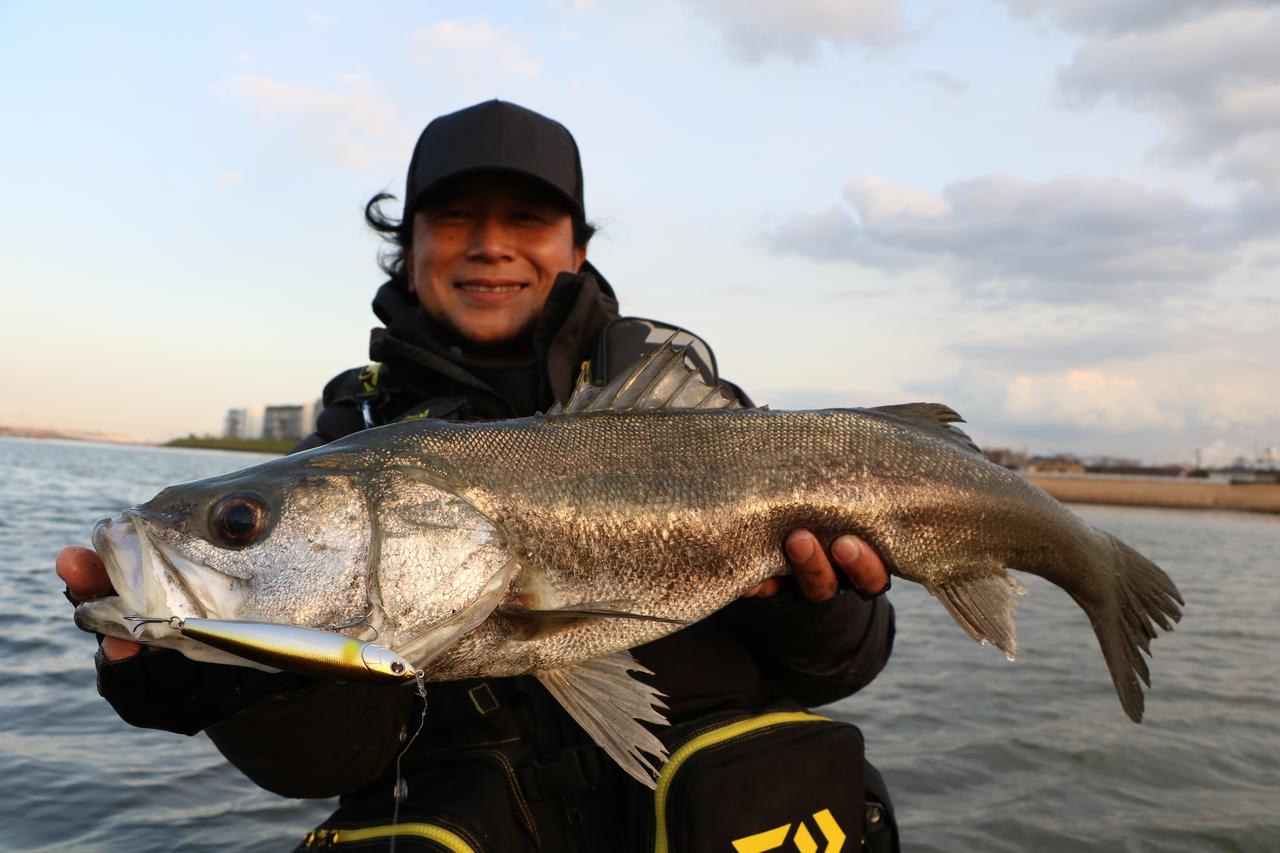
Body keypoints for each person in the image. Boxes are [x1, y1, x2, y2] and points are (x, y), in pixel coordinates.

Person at [58, 100, 899, 852]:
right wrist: (236, 680)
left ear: (575, 246)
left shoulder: (701, 418)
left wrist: (812, 607)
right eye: (454, 217)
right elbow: (331, 760)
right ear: (410, 245)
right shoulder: (348, 441)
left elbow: (844, 668)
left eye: (526, 218)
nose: (489, 244)